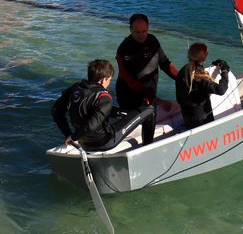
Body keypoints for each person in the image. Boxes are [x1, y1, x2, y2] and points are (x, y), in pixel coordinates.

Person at [52, 59, 154, 152]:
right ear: (103, 80)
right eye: (109, 80)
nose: (109, 83)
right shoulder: (104, 96)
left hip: (84, 143)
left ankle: (127, 114)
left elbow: (56, 111)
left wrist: (68, 134)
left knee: (124, 113)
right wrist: (74, 137)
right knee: (150, 110)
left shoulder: (75, 88)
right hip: (105, 142)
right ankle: (147, 149)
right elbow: (91, 125)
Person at [115, 13, 179, 146]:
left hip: (149, 92)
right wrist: (158, 101)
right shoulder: (124, 48)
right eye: (137, 32)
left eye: (144, 31)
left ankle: (147, 147)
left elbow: (165, 64)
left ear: (148, 28)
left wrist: (183, 79)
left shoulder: (153, 41)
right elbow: (128, 80)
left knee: (150, 118)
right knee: (128, 123)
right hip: (128, 93)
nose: (141, 35)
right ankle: (117, 145)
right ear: (130, 30)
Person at [175, 43, 230, 129]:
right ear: (204, 57)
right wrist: (225, 72)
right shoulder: (200, 76)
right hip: (202, 121)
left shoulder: (183, 70)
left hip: (187, 117)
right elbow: (221, 90)